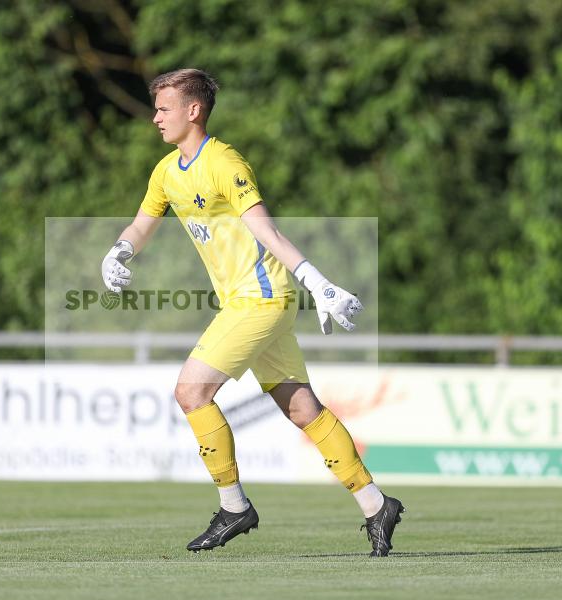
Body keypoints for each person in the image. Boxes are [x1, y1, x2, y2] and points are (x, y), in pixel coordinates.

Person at [101, 68, 403, 556]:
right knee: (302, 408)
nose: (155, 117)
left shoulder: (224, 162)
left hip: (260, 298)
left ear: (193, 111)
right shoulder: (165, 171)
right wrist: (118, 252)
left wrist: (316, 281)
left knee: (191, 390)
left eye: (163, 108)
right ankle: (376, 504)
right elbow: (142, 224)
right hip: (251, 302)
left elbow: (268, 231)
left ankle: (234, 506)